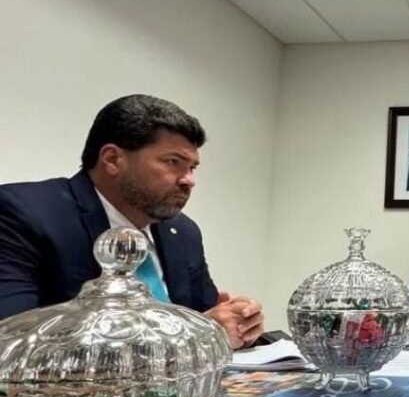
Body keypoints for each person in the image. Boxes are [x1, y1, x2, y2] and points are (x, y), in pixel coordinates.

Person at [0, 94, 264, 349]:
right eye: (173, 162)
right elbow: (11, 339)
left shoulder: (183, 232)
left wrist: (237, 324)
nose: (189, 180)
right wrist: (199, 335)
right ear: (112, 159)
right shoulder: (23, 213)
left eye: (192, 167)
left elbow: (207, 318)